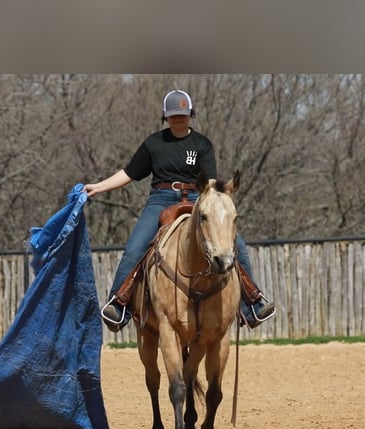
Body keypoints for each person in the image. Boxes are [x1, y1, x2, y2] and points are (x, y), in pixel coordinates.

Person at [84, 89, 275, 332]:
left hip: (197, 198)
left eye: (182, 114)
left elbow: (211, 183)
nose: (178, 118)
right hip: (161, 198)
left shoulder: (202, 144)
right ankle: (118, 304)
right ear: (165, 116)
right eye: (173, 115)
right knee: (135, 247)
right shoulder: (154, 143)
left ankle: (252, 303)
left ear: (190, 115)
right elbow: (129, 173)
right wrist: (98, 188)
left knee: (238, 245)